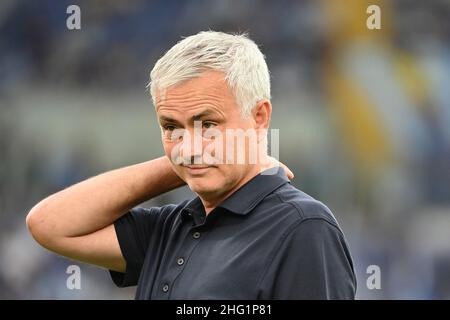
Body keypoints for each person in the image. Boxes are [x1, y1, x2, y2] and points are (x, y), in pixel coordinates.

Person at [26, 31, 356, 299]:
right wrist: (179, 164)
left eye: (207, 124)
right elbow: (48, 224)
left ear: (260, 117)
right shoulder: (170, 227)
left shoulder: (304, 227)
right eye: (171, 127)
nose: (188, 145)